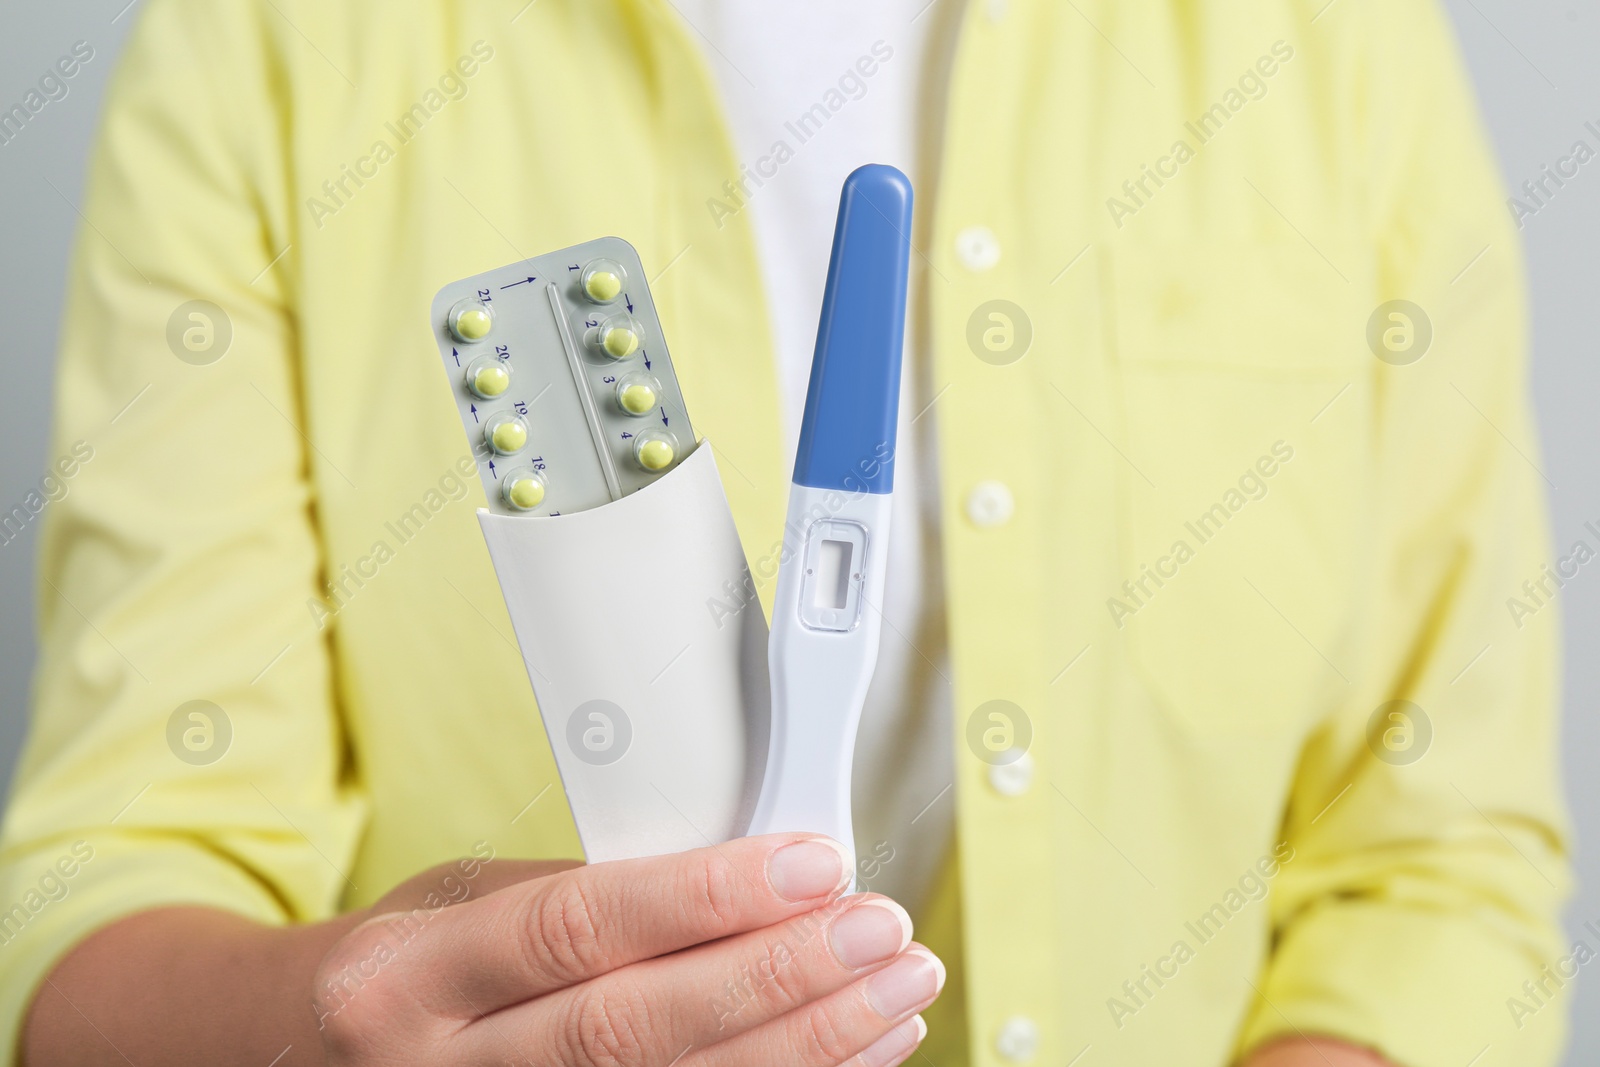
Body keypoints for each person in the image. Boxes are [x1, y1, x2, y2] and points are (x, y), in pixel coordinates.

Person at [0, 0, 1571, 1064]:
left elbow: (1438, 867)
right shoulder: (272, 43)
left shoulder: (1327, 41)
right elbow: (115, 875)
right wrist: (317, 1024)